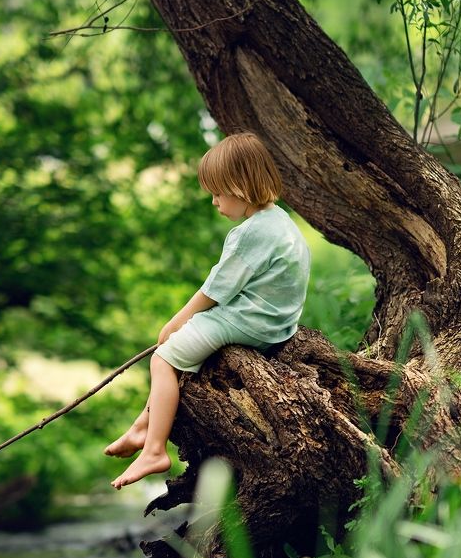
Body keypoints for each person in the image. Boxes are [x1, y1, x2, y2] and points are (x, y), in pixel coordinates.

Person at [105, 131, 310, 489]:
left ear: (241, 187)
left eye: (218, 193)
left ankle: (154, 449)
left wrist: (176, 320)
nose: (214, 202)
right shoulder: (280, 222)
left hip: (251, 321)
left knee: (163, 360)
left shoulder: (249, 233)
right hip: (276, 322)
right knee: (181, 349)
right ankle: (143, 426)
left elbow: (216, 289)